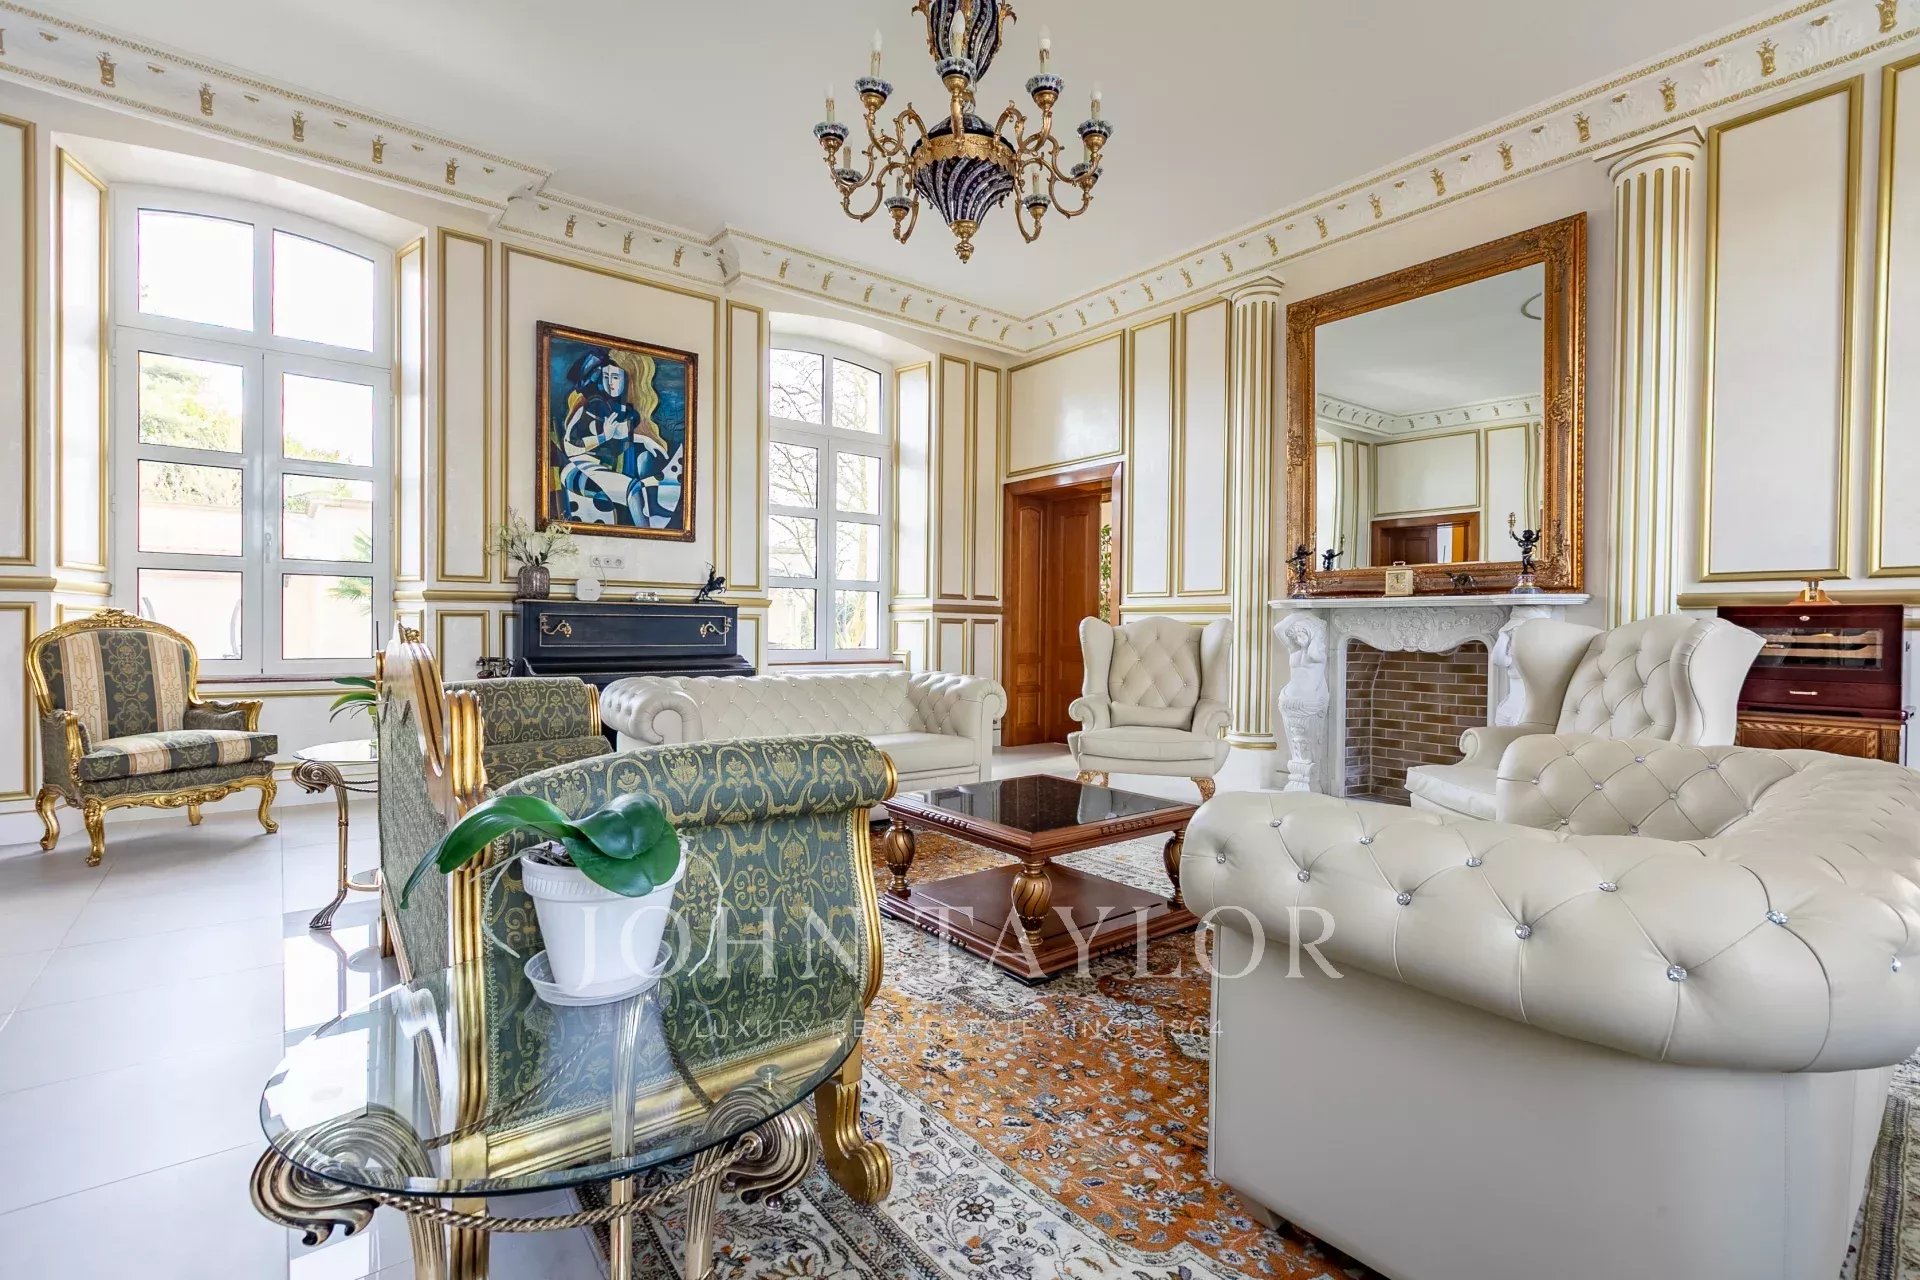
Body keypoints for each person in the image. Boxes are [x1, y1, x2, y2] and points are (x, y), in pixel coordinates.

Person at [554, 348, 680, 528]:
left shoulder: (621, 411)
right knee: (633, 489)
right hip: (577, 469)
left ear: (627, 380)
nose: (610, 383)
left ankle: (647, 524)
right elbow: (570, 447)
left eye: (615, 377)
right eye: (606, 377)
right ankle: (645, 532)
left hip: (599, 470)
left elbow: (621, 435)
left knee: (643, 480)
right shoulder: (590, 407)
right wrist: (603, 437)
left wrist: (646, 440)